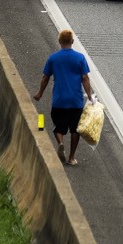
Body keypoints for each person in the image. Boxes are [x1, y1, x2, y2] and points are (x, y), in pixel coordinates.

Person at [34, 29, 94, 166]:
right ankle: (72, 157)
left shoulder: (53, 58)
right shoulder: (80, 58)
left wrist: (39, 94)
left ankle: (60, 143)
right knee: (75, 129)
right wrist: (89, 96)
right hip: (76, 101)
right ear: (72, 42)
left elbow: (45, 78)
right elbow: (85, 78)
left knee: (58, 127)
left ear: (60, 41)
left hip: (59, 100)